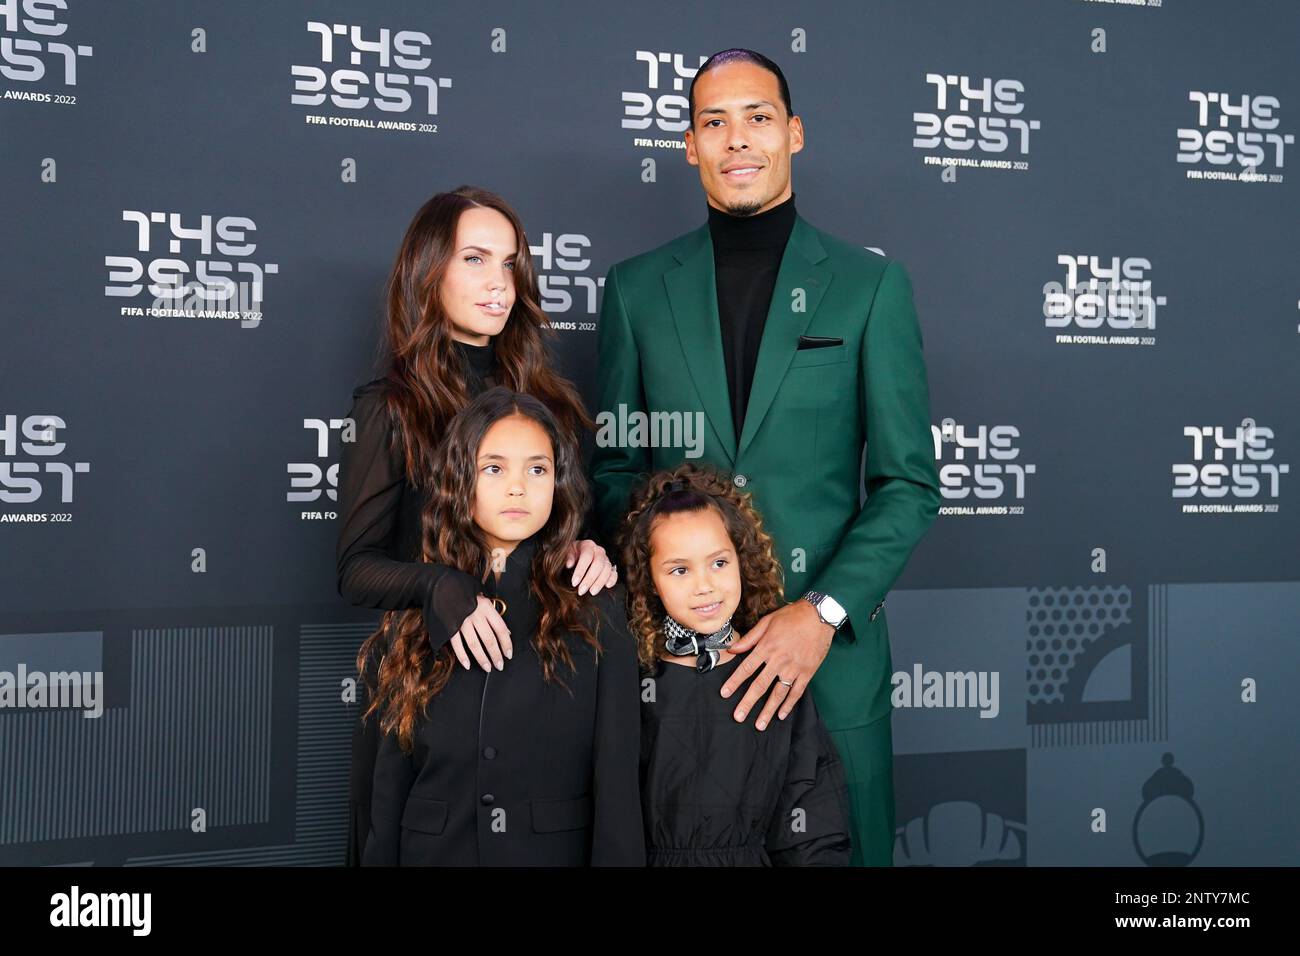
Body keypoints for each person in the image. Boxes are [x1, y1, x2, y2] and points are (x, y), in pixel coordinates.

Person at [591, 49, 941, 866]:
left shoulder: (869, 288)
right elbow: (613, 473)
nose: (737, 139)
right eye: (714, 122)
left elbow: (908, 486)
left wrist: (818, 616)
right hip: (677, 683)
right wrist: (681, 609)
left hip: (830, 669)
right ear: (689, 144)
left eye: (757, 117)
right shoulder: (636, 290)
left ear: (794, 132)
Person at [336, 186, 618, 866]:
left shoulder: (549, 398)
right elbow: (354, 567)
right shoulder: (393, 409)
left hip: (540, 683)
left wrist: (587, 549)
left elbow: (556, 522)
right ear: (428, 270)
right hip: (429, 692)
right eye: (475, 259)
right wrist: (440, 588)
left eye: (511, 264)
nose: (499, 284)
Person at [361, 387, 644, 866]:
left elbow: (617, 779)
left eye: (537, 469)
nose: (518, 487)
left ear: (559, 482)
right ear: (459, 478)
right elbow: (388, 784)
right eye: (494, 468)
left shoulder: (595, 605)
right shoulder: (416, 605)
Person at [621, 463, 852, 866]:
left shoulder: (775, 671)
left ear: (743, 560)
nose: (705, 585)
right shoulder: (629, 682)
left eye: (719, 563)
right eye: (679, 570)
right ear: (649, 581)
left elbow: (813, 814)